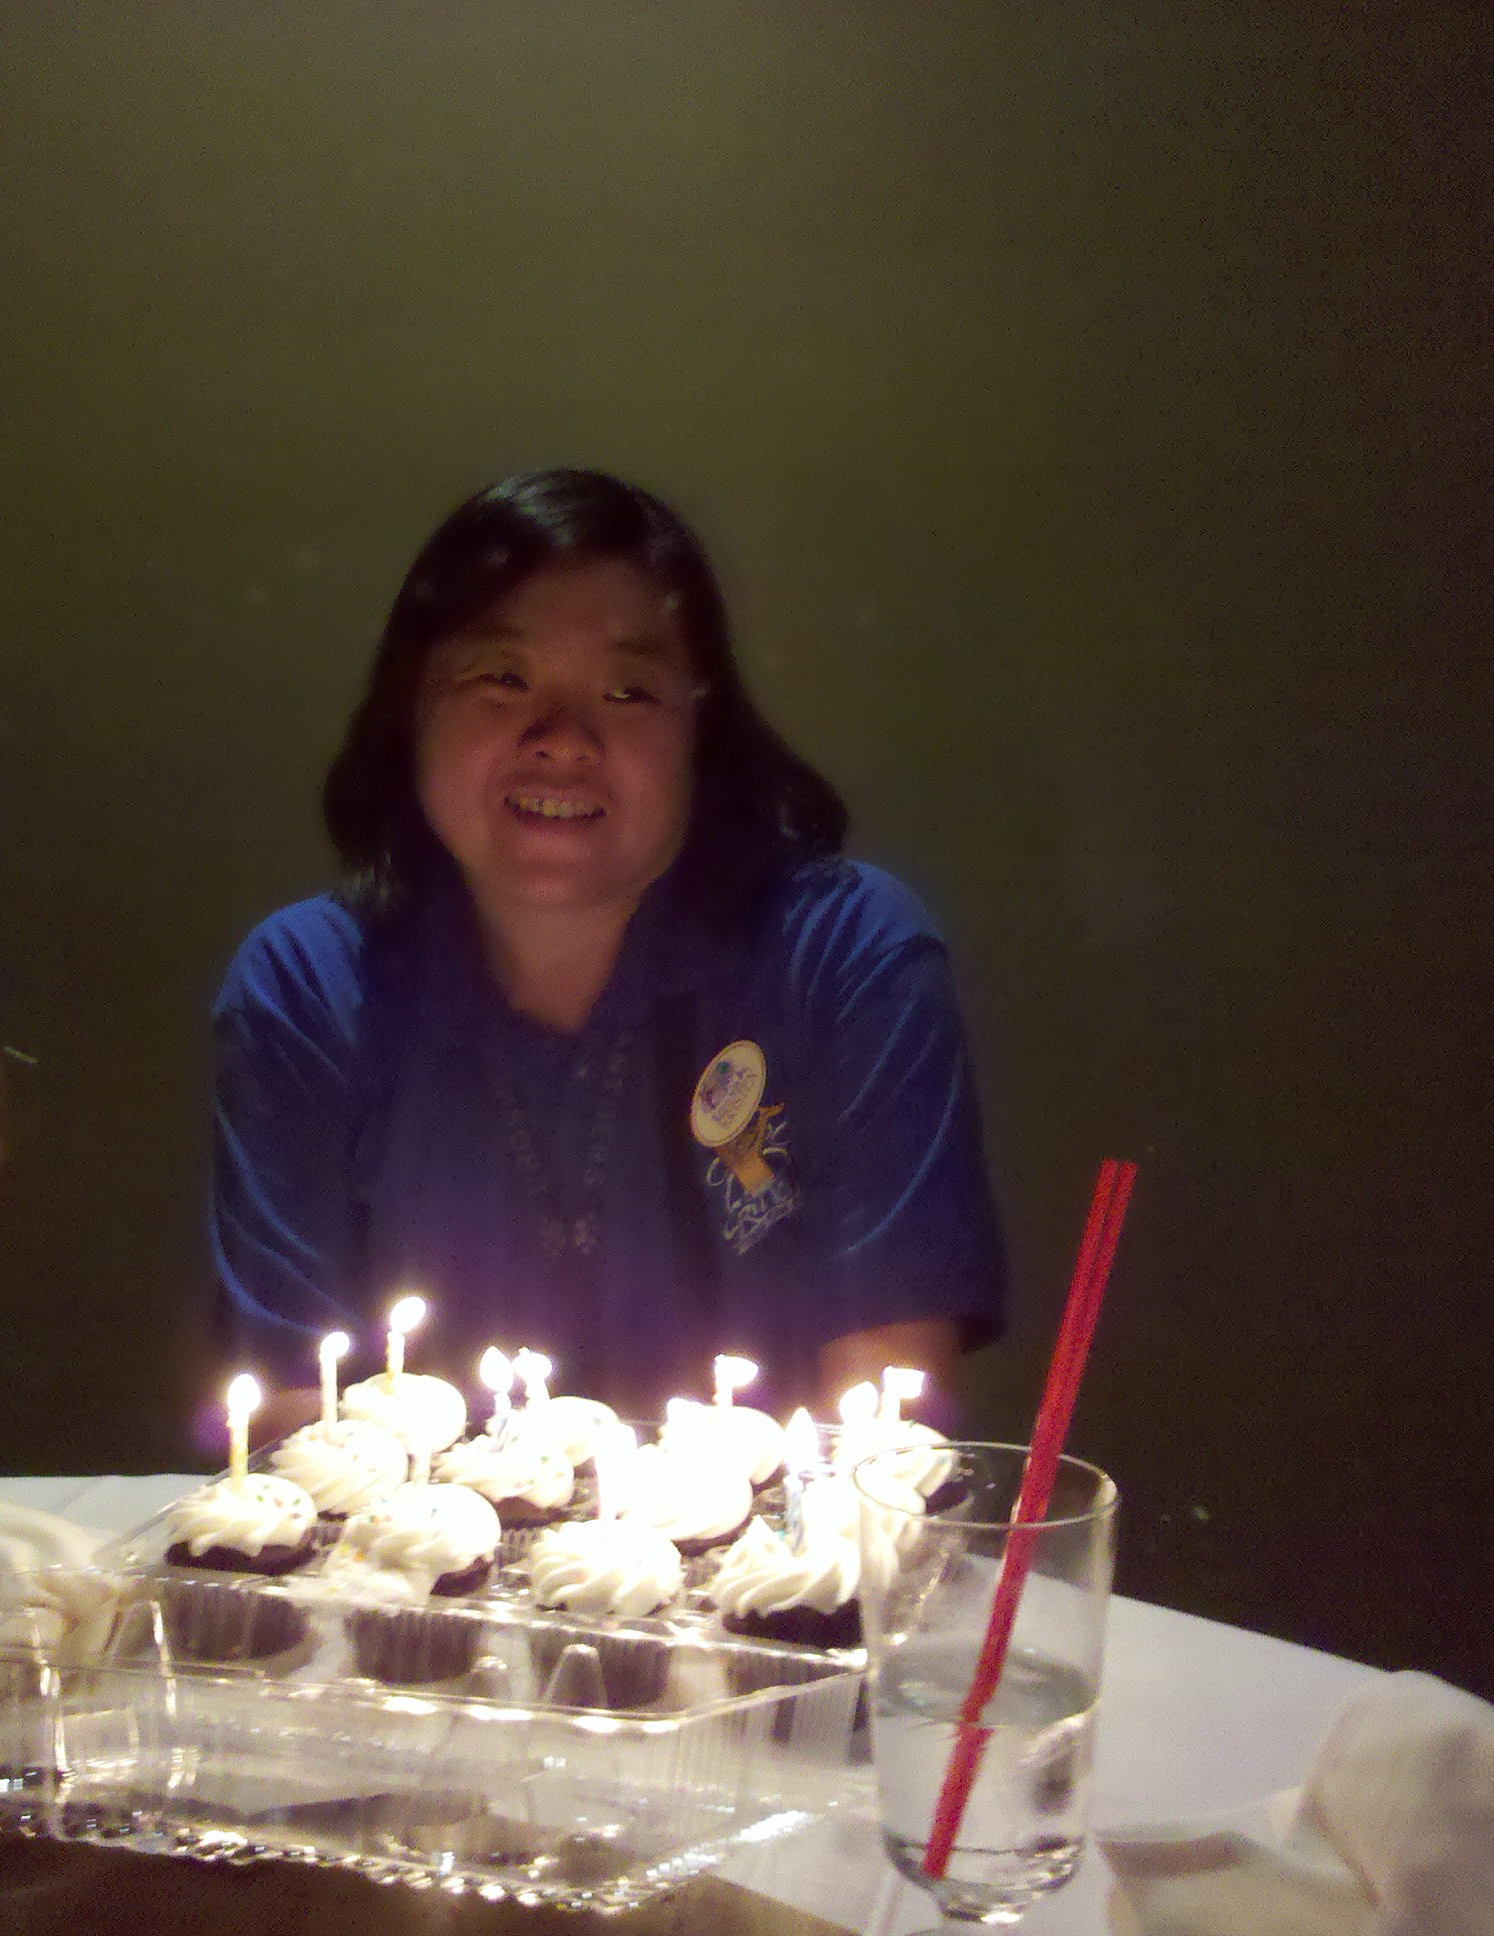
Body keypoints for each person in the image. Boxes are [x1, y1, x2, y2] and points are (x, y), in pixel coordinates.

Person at [211, 468, 1003, 1430]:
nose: (561, 739)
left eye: (629, 692)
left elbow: (884, 1423)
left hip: (768, 1530)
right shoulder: (307, 985)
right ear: (410, 707)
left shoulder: (842, 952)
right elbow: (294, 1406)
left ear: (700, 732)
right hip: (425, 1532)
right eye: (502, 680)